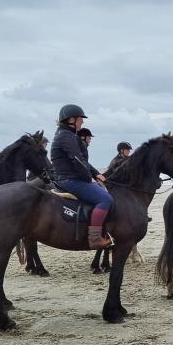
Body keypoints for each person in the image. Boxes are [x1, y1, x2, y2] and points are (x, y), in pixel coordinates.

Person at [51, 104, 114, 249]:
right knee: (105, 199)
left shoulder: (66, 134)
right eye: (80, 119)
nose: (82, 122)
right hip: (69, 180)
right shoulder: (66, 136)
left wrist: (96, 173)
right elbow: (78, 161)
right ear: (71, 119)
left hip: (68, 177)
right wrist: (89, 179)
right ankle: (95, 239)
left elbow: (82, 161)